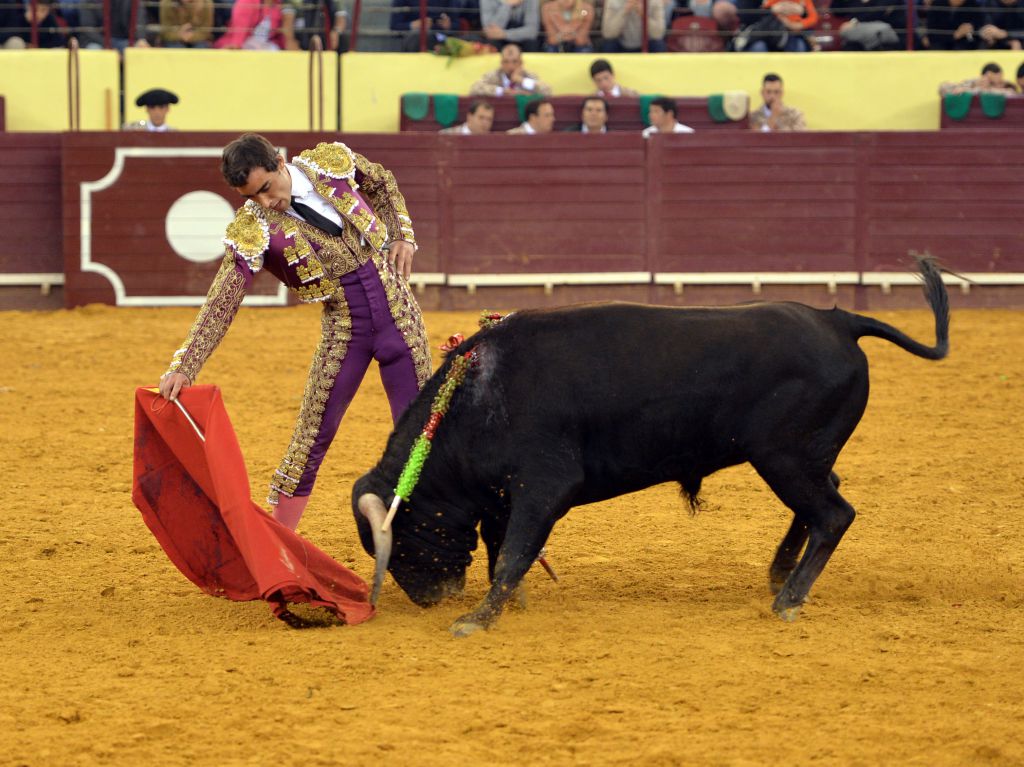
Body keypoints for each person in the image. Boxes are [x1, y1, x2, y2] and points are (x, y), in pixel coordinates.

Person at [158, 134, 430, 531]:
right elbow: (223, 300)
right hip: (345, 331)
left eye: (266, 188)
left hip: (401, 318)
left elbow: (382, 182)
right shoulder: (253, 230)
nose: (266, 203)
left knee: (421, 433)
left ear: (281, 163)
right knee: (311, 437)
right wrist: (185, 364)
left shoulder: (330, 163)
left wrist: (402, 234)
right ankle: (279, 545)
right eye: (253, 198)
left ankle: (439, 532)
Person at [470, 42, 553, 96]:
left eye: (514, 62)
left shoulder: (528, 76)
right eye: (506, 62)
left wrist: (522, 81)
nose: (510, 66)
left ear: (521, 63)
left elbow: (547, 91)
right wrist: (502, 91)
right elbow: (474, 89)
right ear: (501, 63)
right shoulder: (494, 75)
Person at [735, 0, 818, 52]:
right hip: (760, 35)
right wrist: (771, 10)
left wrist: (802, 12)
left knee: (799, 45)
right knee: (759, 47)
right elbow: (745, 15)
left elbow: (813, 17)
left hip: (791, 35)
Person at [830, 0, 904, 50]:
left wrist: (854, 21)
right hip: (858, 37)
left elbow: (878, 12)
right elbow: (836, 10)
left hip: (891, 35)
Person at [390, 0, 460, 52]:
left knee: (440, 39)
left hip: (439, 36)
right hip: (412, 38)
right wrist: (413, 25)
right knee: (417, 36)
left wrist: (448, 25)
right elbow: (394, 27)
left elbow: (457, 26)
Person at [78, 0, 150, 50]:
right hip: (98, 41)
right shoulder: (89, 1)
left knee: (141, 49)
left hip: (124, 41)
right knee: (94, 50)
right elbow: (88, 29)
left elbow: (140, 19)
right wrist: (108, 46)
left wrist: (141, 39)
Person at [215, 0, 288, 49]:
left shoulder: (279, 4)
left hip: (266, 44)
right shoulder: (247, 1)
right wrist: (237, 45)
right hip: (244, 43)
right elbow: (240, 27)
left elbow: (279, 33)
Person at [601, 0, 667, 52]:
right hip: (621, 45)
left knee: (658, 44)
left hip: (646, 44)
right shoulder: (613, 1)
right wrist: (625, 11)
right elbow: (608, 34)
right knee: (609, 44)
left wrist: (643, 14)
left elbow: (658, 34)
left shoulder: (655, 1)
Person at [284, 0, 349, 51]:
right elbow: (287, 22)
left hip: (327, 44)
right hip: (301, 44)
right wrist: (290, 40)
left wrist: (336, 32)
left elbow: (341, 18)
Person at [921, 0, 985, 50]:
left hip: (963, 47)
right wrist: (955, 35)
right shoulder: (937, 4)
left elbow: (977, 35)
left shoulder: (973, 6)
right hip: (940, 46)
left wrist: (969, 30)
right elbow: (931, 35)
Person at [0, 0, 65, 48]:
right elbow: (13, 33)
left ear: (48, 11)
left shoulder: (49, 19)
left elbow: (59, 40)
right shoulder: (20, 19)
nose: (39, 14)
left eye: (43, 10)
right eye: (36, 9)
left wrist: (40, 47)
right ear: (29, 7)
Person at [939, 62, 1020, 95]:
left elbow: (1011, 94)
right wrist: (973, 84)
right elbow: (943, 89)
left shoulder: (1009, 87)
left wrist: (986, 89)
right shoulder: (974, 83)